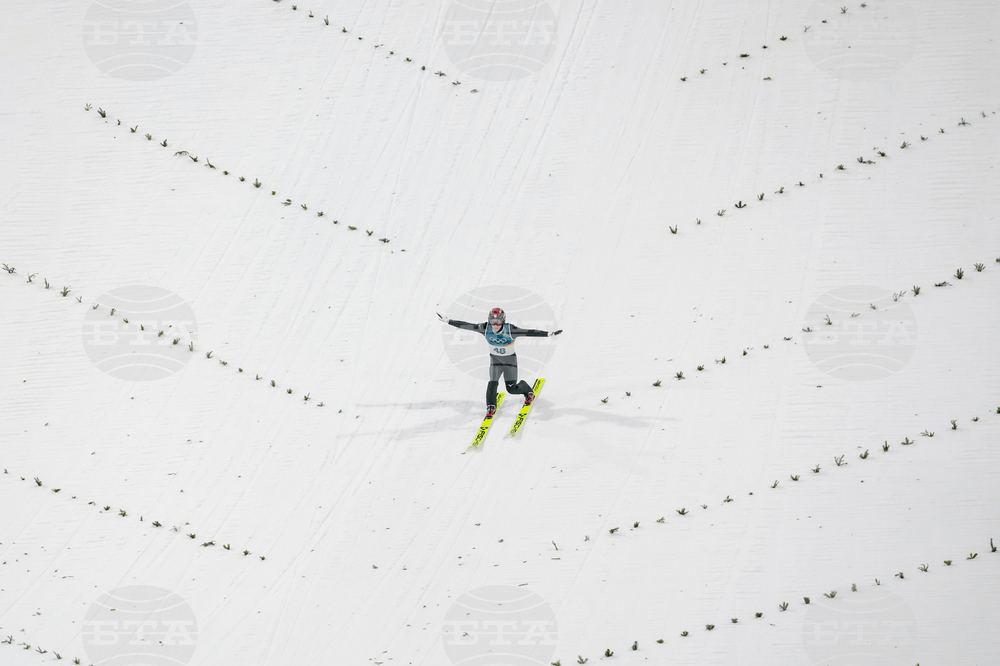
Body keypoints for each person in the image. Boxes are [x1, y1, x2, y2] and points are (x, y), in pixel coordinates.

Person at [437, 307, 562, 417]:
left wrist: (547, 334)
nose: (495, 325)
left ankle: (526, 389)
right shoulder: (485, 328)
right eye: (493, 322)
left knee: (511, 389)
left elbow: (528, 332)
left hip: (510, 362)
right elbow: (466, 325)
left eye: (498, 322)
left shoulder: (510, 330)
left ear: (503, 321)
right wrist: (448, 321)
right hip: (495, 360)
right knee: (492, 382)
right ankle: (490, 406)